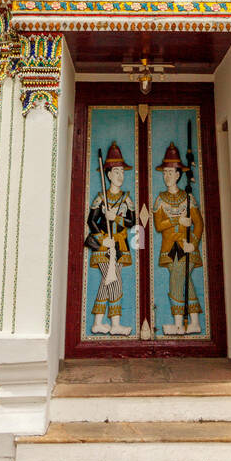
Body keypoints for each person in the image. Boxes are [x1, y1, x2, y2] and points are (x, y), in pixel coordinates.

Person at [152, 141, 204, 335]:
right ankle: (190, 322)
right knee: (181, 281)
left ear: (178, 174)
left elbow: (199, 223)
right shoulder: (160, 199)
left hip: (186, 246)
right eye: (164, 172)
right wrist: (177, 222)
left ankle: (181, 323)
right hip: (169, 247)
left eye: (171, 172)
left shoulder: (187, 198)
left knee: (178, 280)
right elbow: (158, 225)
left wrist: (194, 243)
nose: (167, 176)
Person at [84, 141, 136, 334]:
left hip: (120, 245)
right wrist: (102, 237)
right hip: (104, 246)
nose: (120, 176)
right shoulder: (101, 198)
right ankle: (114, 325)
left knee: (107, 284)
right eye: (116, 172)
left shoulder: (126, 198)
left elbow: (132, 221)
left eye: (122, 172)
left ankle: (98, 323)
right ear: (108, 175)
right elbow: (92, 221)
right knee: (114, 283)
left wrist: (118, 218)